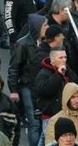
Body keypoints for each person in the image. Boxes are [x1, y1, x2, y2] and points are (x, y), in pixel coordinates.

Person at [8, 14, 48, 146]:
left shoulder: (47, 43)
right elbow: (14, 68)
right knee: (34, 122)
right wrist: (13, 90)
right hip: (27, 87)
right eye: (45, 25)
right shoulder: (22, 44)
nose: (47, 28)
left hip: (43, 86)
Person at [33, 47, 78, 140]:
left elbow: (77, 86)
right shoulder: (43, 73)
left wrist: (68, 73)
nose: (64, 60)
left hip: (68, 114)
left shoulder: (68, 71)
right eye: (60, 58)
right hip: (50, 116)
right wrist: (58, 75)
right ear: (52, 60)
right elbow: (45, 90)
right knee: (50, 140)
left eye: (65, 57)